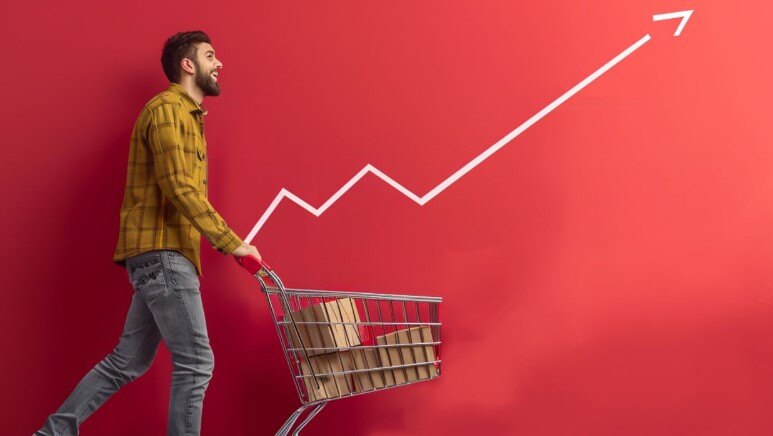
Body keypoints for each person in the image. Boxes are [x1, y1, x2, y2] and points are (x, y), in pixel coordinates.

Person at [35, 30, 260, 436]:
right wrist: (233, 243)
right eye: (210, 56)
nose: (220, 63)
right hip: (164, 254)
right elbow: (179, 186)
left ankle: (52, 433)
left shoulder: (187, 117)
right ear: (188, 65)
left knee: (127, 362)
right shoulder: (168, 110)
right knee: (197, 363)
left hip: (160, 255)